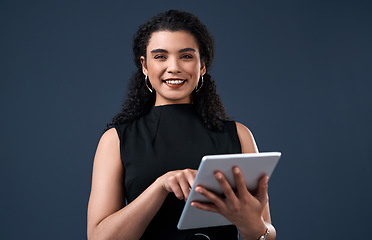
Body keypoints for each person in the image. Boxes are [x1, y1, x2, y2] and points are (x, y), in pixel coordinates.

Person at [87, 10, 276, 240]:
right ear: (144, 66)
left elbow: (266, 231)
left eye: (186, 56)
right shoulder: (116, 140)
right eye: (160, 57)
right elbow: (98, 238)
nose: (174, 67)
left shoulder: (239, 135)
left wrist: (253, 226)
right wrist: (161, 186)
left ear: (202, 65)